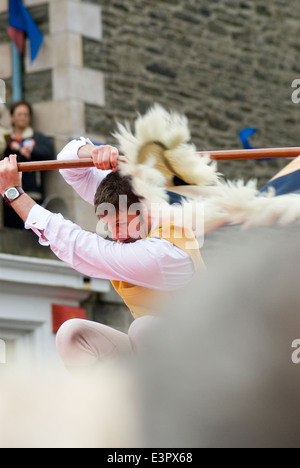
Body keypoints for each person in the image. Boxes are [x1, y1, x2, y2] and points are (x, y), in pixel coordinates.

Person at [0, 139, 205, 370]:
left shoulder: (164, 255)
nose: (116, 233)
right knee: (72, 333)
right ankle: (100, 403)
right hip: (152, 357)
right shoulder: (129, 204)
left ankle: (165, 403)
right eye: (109, 226)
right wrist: (95, 152)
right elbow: (67, 161)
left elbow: (80, 247)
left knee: (144, 327)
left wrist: (14, 194)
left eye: (120, 223)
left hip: (197, 358)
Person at [2, 100, 54, 229]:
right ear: (12, 117)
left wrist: (30, 150)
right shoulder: (6, 138)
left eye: (26, 115)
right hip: (9, 190)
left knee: (32, 227)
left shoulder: (36, 137)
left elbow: (49, 153)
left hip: (32, 191)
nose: (23, 118)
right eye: (19, 114)